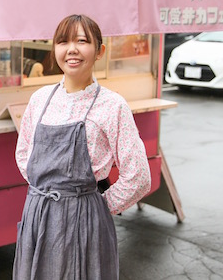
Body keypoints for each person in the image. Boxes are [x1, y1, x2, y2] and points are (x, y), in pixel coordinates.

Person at [13, 14, 151, 279]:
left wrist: (96, 206)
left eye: (82, 41)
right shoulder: (40, 98)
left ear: (99, 51)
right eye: (63, 41)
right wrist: (45, 193)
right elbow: (24, 154)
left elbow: (139, 176)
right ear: (55, 50)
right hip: (37, 217)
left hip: (83, 222)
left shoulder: (112, 105)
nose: (72, 49)